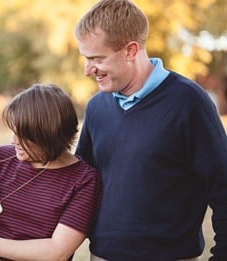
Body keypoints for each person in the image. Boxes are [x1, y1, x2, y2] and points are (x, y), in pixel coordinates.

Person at [73, 0, 227, 260]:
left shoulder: (189, 102)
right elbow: (80, 183)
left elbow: (223, 188)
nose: (88, 70)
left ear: (131, 50)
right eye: (86, 59)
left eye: (97, 59)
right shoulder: (97, 107)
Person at [0, 83, 102, 261]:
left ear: (46, 135)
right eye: (12, 131)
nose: (12, 140)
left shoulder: (83, 180)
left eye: (21, 134)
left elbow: (57, 251)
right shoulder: (0, 158)